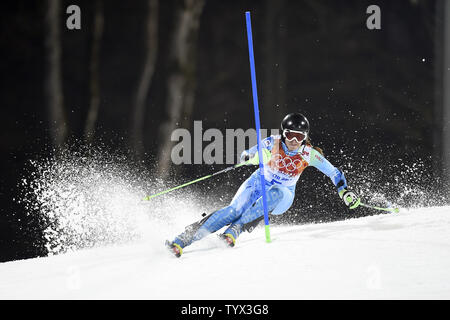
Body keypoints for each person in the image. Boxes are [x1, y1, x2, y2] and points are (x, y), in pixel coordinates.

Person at [165, 113, 360, 257]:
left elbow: (334, 173)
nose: (293, 141)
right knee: (234, 210)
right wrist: (255, 157)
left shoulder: (309, 154)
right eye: (290, 135)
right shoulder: (272, 143)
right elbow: (245, 155)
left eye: (299, 137)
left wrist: (344, 191)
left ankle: (236, 230)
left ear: (305, 137)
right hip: (258, 181)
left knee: (275, 192)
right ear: (283, 133)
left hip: (284, 194)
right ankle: (184, 238)